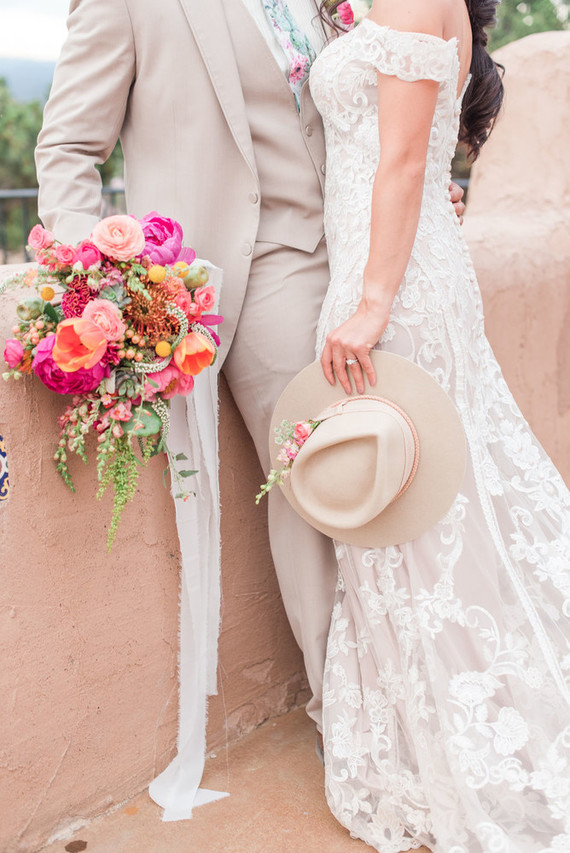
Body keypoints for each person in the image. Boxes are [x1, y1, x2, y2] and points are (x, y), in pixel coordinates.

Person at [34, 0, 465, 750]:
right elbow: (68, 145)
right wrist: (110, 286)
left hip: (363, 257)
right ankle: (366, 727)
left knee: (410, 468)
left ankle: (441, 692)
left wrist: (419, 200)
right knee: (323, 485)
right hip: (258, 268)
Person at [292, 0, 570, 849]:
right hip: (382, 264)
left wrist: (372, 302)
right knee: (411, 519)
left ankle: (469, 739)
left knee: (421, 510)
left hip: (396, 288)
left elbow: (406, 159)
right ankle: (424, 735)